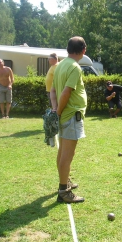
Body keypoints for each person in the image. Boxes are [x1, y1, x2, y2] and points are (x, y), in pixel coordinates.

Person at [50, 36, 87, 203]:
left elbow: (52, 91)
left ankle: (65, 181)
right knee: (68, 154)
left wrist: (55, 110)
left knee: (62, 151)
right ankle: (64, 191)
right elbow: (65, 92)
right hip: (71, 115)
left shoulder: (60, 66)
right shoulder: (74, 67)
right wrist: (58, 112)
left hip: (65, 114)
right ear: (83, 50)